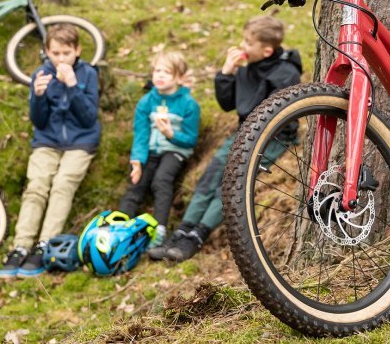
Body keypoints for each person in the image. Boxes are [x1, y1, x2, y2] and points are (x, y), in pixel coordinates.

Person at [149, 15, 302, 262]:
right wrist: (226, 73)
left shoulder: (285, 73)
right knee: (210, 177)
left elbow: (280, 116)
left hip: (272, 138)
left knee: (231, 184)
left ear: (266, 51)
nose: (242, 46)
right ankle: (182, 231)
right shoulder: (247, 68)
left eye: (248, 43)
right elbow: (227, 103)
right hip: (244, 132)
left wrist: (250, 145)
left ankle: (196, 236)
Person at [0, 23, 100, 278]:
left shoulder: (88, 74)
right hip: (47, 141)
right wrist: (38, 96)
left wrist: (73, 86)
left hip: (81, 141)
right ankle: (21, 246)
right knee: (36, 185)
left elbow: (88, 118)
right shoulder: (40, 75)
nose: (61, 59)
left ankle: (45, 244)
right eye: (56, 53)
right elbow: (39, 121)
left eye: (66, 53)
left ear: (77, 50)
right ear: (47, 52)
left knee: (63, 183)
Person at [118, 51, 200, 248]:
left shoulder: (189, 104)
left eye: (167, 72)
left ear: (179, 77)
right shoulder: (147, 102)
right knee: (136, 183)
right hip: (151, 151)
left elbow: (190, 140)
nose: (160, 75)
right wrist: (137, 161)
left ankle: (160, 228)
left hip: (175, 151)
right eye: (157, 71)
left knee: (161, 180)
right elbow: (141, 134)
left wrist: (172, 134)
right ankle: (119, 228)